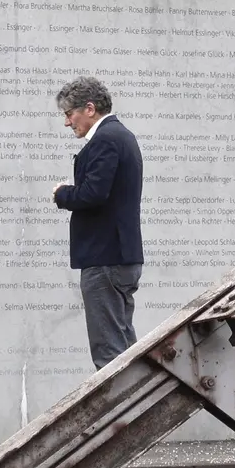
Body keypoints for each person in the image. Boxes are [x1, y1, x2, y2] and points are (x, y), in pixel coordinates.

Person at [51, 76, 144, 370]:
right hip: (118, 257)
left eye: (70, 114)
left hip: (106, 259)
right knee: (124, 350)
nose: (67, 123)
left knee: (110, 355)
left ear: (89, 108)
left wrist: (62, 194)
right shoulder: (121, 136)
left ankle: (122, 416)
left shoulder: (106, 139)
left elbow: (94, 193)